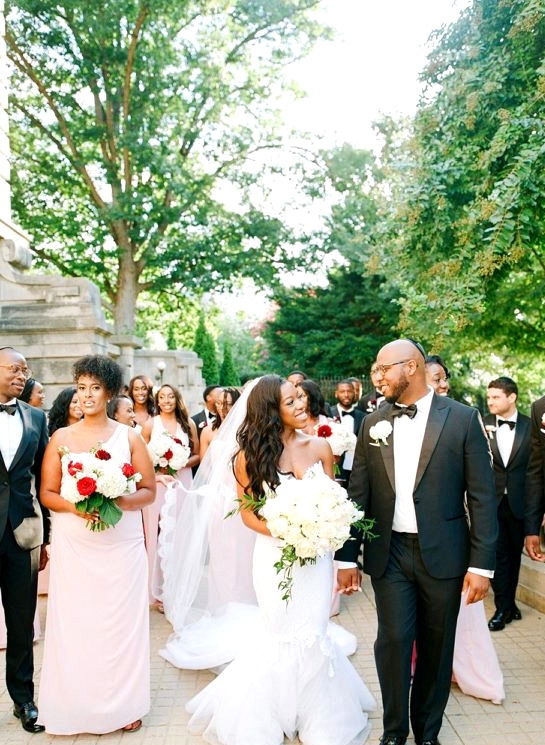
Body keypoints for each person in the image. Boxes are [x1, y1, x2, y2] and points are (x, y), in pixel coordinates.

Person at [184, 375, 376, 744]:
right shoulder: (247, 458)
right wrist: (292, 531)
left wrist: (323, 537)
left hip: (316, 560)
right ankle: (270, 714)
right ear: (272, 411)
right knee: (280, 633)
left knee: (314, 631)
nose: (301, 404)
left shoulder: (321, 447)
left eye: (299, 397)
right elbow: (248, 514)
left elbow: (333, 502)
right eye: (290, 401)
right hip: (275, 559)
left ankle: (321, 719)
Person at [337, 338, 498, 745]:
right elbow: (359, 493)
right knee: (392, 641)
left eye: (383, 368)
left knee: (437, 647)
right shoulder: (373, 423)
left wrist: (482, 565)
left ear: (410, 367)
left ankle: (428, 734)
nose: (377, 376)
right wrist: (346, 557)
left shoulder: (462, 419)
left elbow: (481, 495)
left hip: (444, 555)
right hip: (388, 554)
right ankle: (394, 733)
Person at [37, 355, 155, 735]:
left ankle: (125, 705)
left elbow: (149, 491)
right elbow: (48, 493)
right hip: (76, 546)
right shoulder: (61, 438)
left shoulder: (129, 437)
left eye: (95, 388)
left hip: (120, 545)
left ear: (110, 392)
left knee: (120, 626)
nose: (86, 395)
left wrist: (115, 500)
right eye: (81, 388)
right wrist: (80, 507)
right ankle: (73, 704)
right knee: (76, 624)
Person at [425, 357, 504, 705]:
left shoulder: (463, 419)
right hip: (410, 544)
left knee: (461, 616)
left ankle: (468, 671)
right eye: (437, 379)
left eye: (445, 379)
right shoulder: (389, 422)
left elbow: (480, 491)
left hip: (454, 536)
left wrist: (478, 557)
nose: (443, 385)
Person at [0, 347, 49, 734]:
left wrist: (45, 534)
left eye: (25, 370)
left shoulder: (36, 417)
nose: (22, 375)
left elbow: (42, 477)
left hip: (24, 533)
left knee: (22, 624)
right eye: (15, 369)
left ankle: (24, 701)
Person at [141, 384, 199, 607]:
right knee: (157, 531)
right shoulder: (149, 425)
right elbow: (142, 456)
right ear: (157, 400)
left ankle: (178, 586)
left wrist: (180, 461)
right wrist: (158, 465)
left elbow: (197, 455)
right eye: (162, 397)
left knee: (180, 531)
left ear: (177, 399)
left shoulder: (188, 424)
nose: (166, 401)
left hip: (182, 481)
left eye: (170, 396)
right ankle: (156, 588)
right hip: (158, 483)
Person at [485, 376, 530, 630]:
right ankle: (503, 608)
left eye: (495, 397)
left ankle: (509, 604)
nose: (490, 402)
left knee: (513, 557)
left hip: (520, 503)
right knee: (495, 556)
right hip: (490, 503)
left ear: (511, 397)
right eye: (488, 397)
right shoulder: (481, 424)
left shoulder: (529, 425)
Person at [329, 378, 364, 485]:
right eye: (342, 391)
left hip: (356, 468)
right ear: (336, 394)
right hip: (335, 468)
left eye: (349, 391)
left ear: (354, 393)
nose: (346, 395)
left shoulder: (363, 416)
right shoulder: (329, 414)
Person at [199, 387, 241, 460]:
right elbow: (203, 465)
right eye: (219, 403)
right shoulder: (207, 432)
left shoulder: (244, 430)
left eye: (228, 404)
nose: (222, 408)